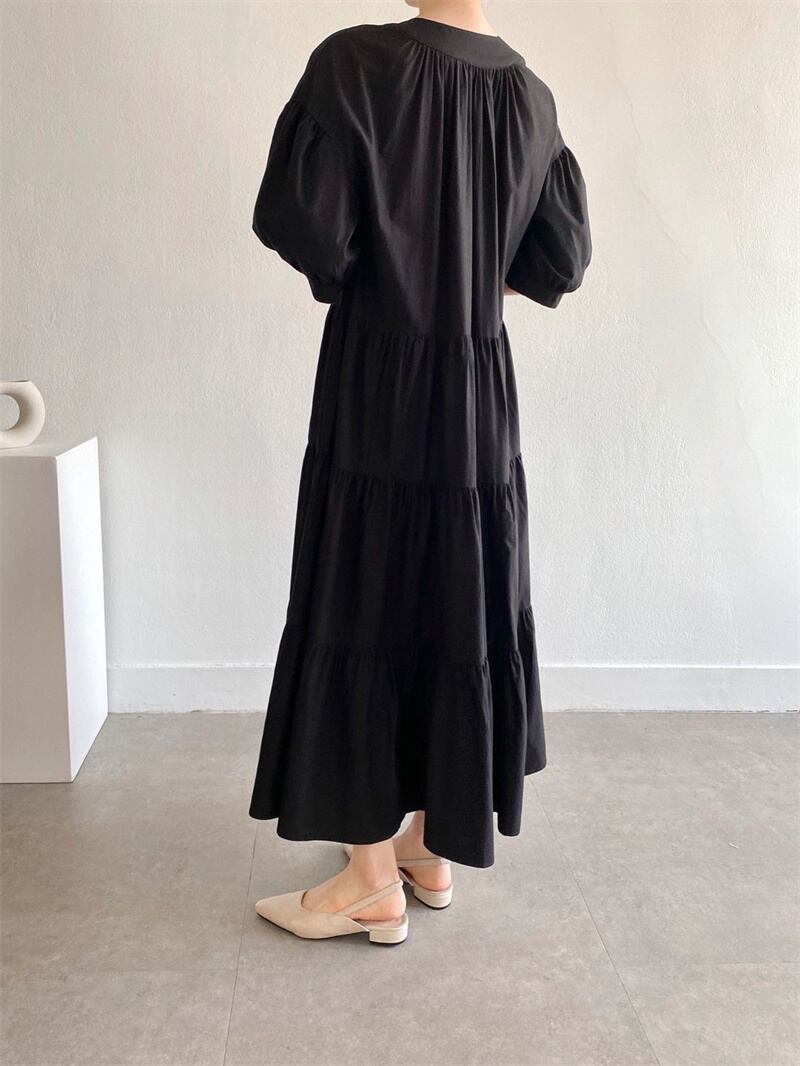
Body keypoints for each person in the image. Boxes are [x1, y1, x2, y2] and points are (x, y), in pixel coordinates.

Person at [248, 0, 592, 945]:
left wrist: (400, 267)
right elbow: (559, 258)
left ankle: (369, 881)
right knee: (458, 595)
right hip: (479, 388)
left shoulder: (355, 64)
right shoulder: (531, 97)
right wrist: (465, 282)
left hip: (379, 378)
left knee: (361, 593)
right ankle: (432, 848)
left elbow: (309, 230)